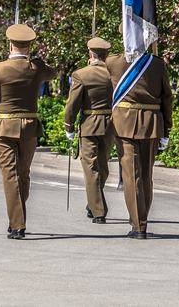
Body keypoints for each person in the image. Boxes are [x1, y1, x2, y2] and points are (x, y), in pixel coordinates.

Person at [0, 23, 55, 240]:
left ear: (10, 45)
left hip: (5, 128)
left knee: (11, 175)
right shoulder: (36, 68)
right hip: (29, 127)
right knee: (23, 174)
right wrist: (39, 61)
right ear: (29, 46)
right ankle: (16, 217)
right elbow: (54, 73)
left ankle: (17, 223)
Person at [106, 43, 173, 239]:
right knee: (145, 175)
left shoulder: (113, 62)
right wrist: (166, 129)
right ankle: (141, 219)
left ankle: (138, 225)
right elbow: (167, 98)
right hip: (152, 123)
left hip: (124, 123)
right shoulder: (157, 64)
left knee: (131, 176)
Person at [63, 37, 115, 224]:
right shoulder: (114, 73)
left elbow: (73, 104)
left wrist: (68, 124)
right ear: (106, 55)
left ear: (91, 54)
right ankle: (93, 203)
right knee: (103, 166)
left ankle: (98, 210)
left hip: (89, 124)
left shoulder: (81, 74)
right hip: (110, 124)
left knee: (91, 168)